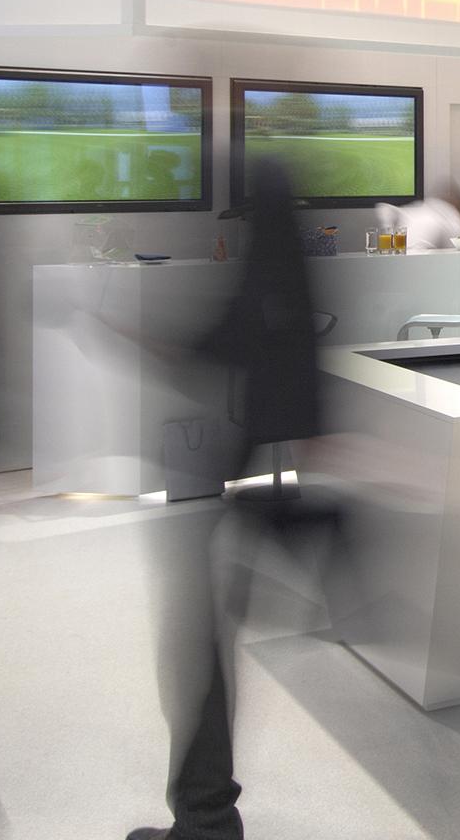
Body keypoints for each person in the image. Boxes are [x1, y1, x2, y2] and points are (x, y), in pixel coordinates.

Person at [128, 159, 333, 840]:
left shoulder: (266, 261)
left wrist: (144, 340)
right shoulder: (287, 258)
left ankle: (206, 815)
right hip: (236, 479)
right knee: (201, 645)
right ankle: (206, 811)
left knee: (197, 646)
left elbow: (230, 339)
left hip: (218, 489)